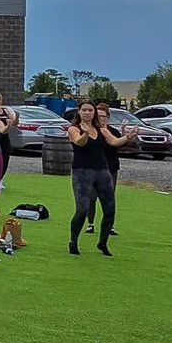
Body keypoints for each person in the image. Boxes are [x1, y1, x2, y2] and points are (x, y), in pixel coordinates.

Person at [67, 102, 132, 256]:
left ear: (94, 113)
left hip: (102, 170)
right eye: (84, 110)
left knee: (110, 209)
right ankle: (73, 241)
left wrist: (128, 136)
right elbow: (79, 142)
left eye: (90, 110)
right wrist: (85, 134)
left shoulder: (102, 129)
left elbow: (114, 142)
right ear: (79, 112)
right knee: (82, 209)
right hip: (82, 171)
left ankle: (102, 243)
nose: (87, 112)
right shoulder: (74, 129)